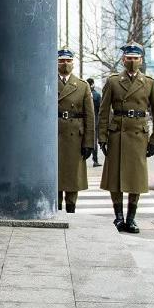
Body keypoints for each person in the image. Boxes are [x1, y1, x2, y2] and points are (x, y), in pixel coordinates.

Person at [97, 43, 154, 233]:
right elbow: (103, 112)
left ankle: (131, 219)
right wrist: (102, 137)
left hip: (138, 136)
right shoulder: (113, 82)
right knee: (115, 178)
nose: (132, 61)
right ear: (123, 59)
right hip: (117, 134)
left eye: (135, 58)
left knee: (136, 179)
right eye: (129, 58)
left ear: (141, 60)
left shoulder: (149, 83)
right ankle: (118, 218)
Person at [57, 50, 95, 213]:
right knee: (55, 177)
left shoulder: (82, 85)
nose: (65, 64)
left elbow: (90, 116)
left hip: (75, 138)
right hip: (54, 136)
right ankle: (56, 209)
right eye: (61, 61)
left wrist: (89, 142)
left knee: (72, 178)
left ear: (73, 63)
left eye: (68, 60)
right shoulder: (47, 82)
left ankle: (71, 211)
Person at [86, 77, 102, 166]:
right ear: (92, 84)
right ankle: (95, 160)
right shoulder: (96, 95)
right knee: (93, 141)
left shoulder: (83, 93)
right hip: (95, 121)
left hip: (84, 121)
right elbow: (101, 109)